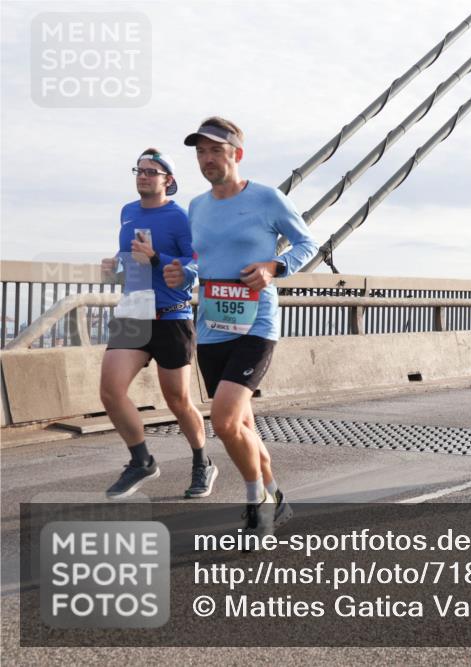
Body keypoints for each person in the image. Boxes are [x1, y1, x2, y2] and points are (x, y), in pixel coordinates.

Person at [165, 117, 318, 537]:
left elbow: (308, 244)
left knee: (226, 421)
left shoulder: (268, 199)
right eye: (200, 151)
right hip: (212, 326)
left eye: (215, 150)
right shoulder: (196, 206)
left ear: (237, 154)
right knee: (242, 428)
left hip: (256, 325)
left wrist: (274, 266)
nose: (206, 159)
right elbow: (199, 261)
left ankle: (257, 505)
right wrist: (182, 273)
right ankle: (275, 494)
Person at [100, 149, 214, 500]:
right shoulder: (128, 212)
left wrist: (157, 258)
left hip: (171, 315)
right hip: (134, 313)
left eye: (152, 171)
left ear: (169, 180)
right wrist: (115, 267)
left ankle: (202, 463)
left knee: (178, 400)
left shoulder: (180, 218)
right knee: (110, 391)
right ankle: (142, 461)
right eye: (139, 169)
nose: (143, 175)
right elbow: (128, 259)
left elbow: (195, 267)